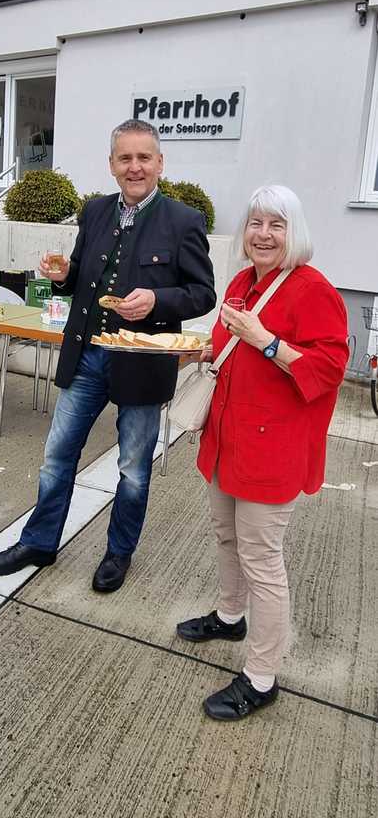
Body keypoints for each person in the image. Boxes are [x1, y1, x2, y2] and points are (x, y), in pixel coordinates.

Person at [0, 119, 216, 590]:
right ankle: (39, 542)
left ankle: (118, 553)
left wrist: (157, 301)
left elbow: (203, 293)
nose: (135, 167)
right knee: (56, 457)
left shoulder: (183, 220)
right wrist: (62, 275)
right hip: (87, 356)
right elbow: (79, 277)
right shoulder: (94, 211)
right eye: (125, 158)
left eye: (144, 157)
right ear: (112, 165)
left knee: (132, 470)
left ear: (160, 163)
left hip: (142, 363)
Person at [177, 185, 348, 721]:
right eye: (256, 223)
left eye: (277, 224)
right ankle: (230, 617)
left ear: (294, 232)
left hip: (272, 452)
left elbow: (329, 370)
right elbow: (230, 347)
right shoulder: (241, 282)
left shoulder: (313, 289)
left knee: (262, 561)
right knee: (227, 537)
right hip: (227, 440)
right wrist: (202, 348)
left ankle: (261, 677)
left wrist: (267, 341)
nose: (264, 234)